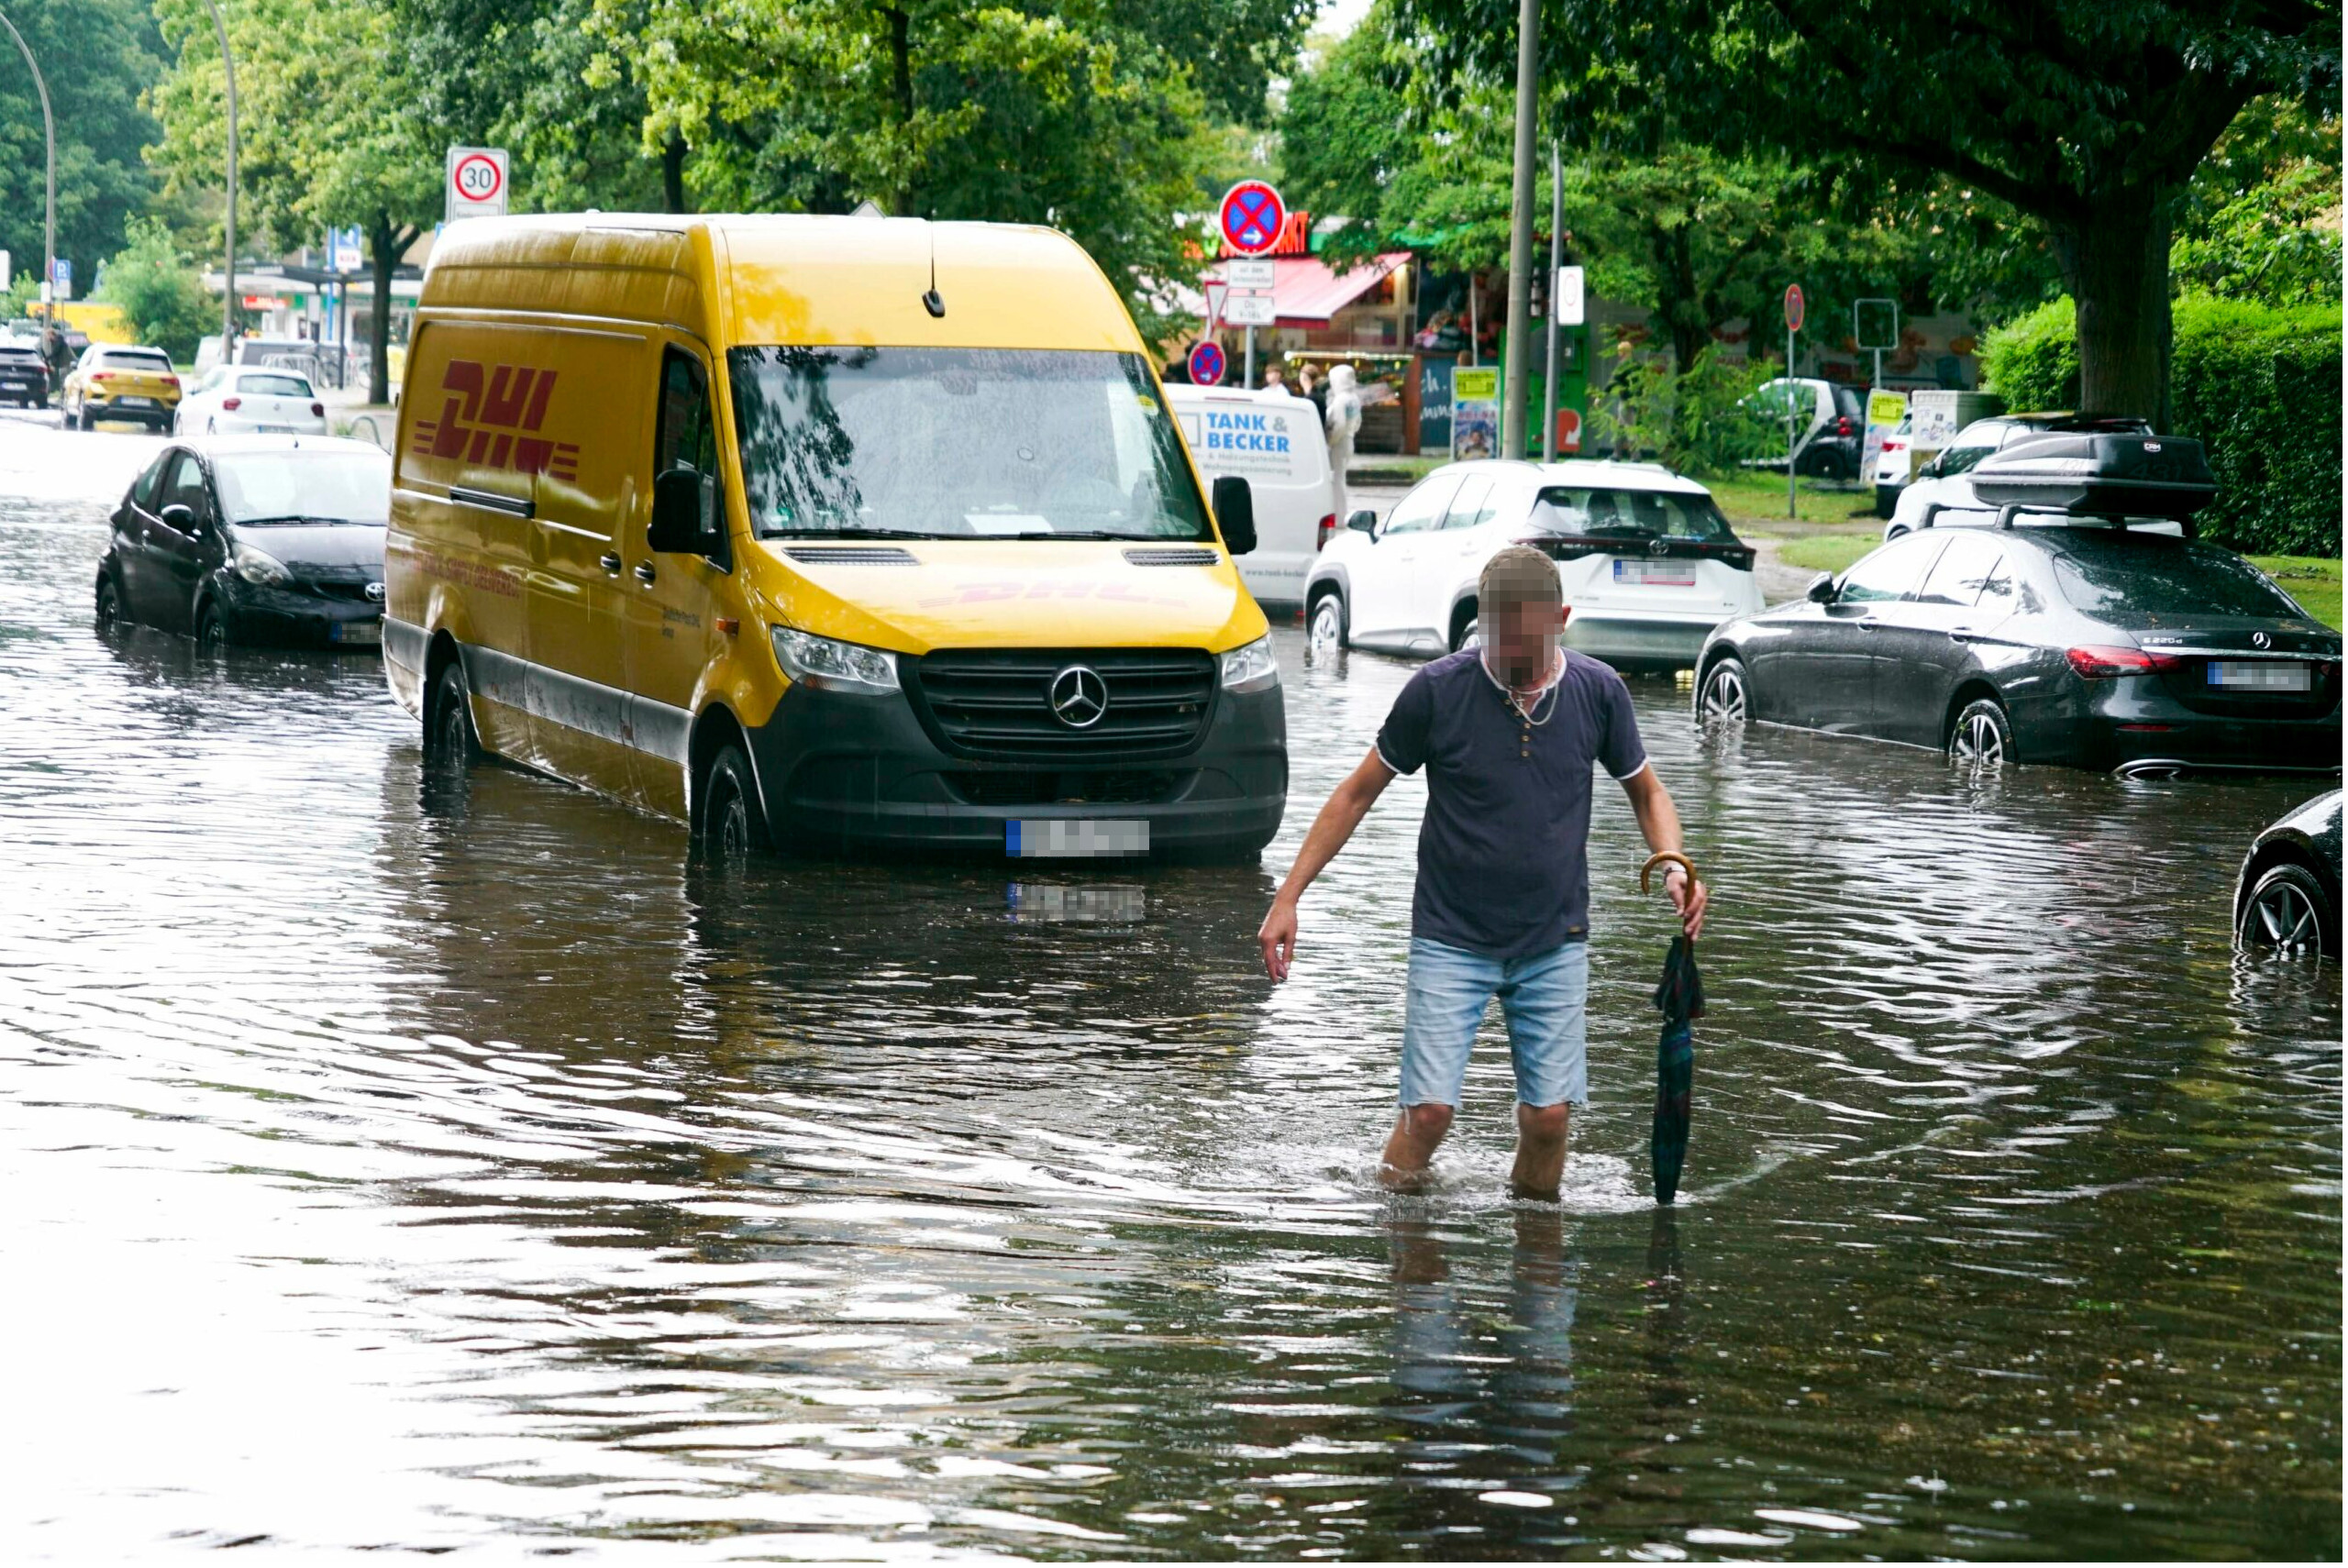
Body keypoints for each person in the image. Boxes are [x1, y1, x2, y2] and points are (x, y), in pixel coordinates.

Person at [1257, 547, 1709, 1201]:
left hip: (1554, 939)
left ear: (1563, 619)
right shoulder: (1438, 691)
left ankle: (1538, 1265)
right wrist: (1288, 897)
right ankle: (1405, 1259)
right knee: (1430, 1114)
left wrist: (1673, 864)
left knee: (1549, 1119)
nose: (1513, 663)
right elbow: (1356, 793)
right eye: (1500, 643)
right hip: (1450, 936)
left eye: (1528, 646)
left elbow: (1648, 792)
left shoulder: (1598, 693)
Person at [1324, 363, 1363, 524]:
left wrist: (1330, 440)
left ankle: (1339, 516)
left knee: (1337, 480)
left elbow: (1338, 425)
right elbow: (1358, 421)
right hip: (1350, 439)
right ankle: (1340, 514)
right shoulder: (1354, 398)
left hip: (1339, 442)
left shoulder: (1341, 400)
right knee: (1340, 479)